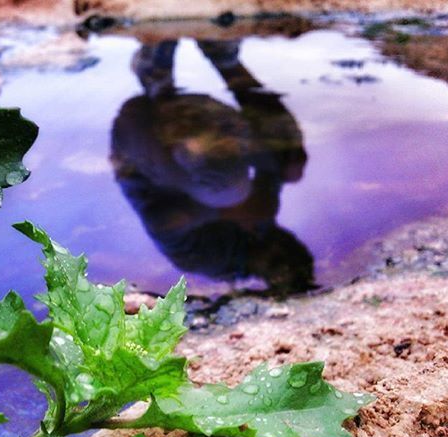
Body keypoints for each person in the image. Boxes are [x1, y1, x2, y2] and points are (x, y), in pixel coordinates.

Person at [111, 39, 315, 294]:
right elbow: (270, 176)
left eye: (276, 259)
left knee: (228, 188)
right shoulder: (262, 231)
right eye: (290, 244)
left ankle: (157, 82)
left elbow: (161, 223)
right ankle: (225, 61)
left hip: (138, 143)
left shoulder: (207, 260)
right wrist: (273, 177)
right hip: (184, 139)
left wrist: (231, 211)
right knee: (290, 165)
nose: (279, 244)